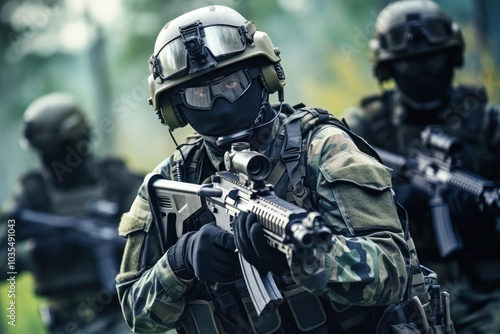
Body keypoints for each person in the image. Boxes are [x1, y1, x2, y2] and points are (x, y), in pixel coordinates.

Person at [115, 5, 439, 334]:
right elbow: (136, 314)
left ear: (264, 77)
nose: (219, 102)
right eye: (199, 94)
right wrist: (180, 262)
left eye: (232, 83)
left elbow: (395, 270)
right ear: (175, 109)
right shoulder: (173, 179)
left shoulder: (324, 149)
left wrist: (306, 258)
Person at [344, 1, 500, 333]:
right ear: (388, 68)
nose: (424, 72)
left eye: (432, 60)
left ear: (452, 57)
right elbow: (342, 204)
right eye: (410, 65)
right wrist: (394, 200)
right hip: (402, 294)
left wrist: (485, 215)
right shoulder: (365, 127)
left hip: (484, 290)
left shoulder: (486, 122)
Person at [0, 92, 143, 333]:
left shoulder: (117, 182)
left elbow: (163, 232)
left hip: (126, 317)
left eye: (59, 150)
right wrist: (33, 253)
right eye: (45, 152)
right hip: (65, 324)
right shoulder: (31, 196)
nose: (51, 160)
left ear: (80, 141)